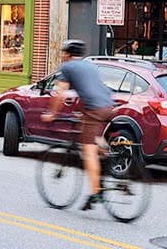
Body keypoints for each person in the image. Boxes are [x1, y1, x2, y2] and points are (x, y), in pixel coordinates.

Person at [41, 40, 115, 209]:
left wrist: (52, 114)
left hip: (94, 109)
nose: (62, 55)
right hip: (109, 105)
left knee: (88, 152)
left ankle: (96, 193)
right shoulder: (90, 65)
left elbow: (59, 94)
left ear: (67, 54)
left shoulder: (67, 68)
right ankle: (110, 154)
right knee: (95, 139)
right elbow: (88, 88)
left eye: (63, 52)